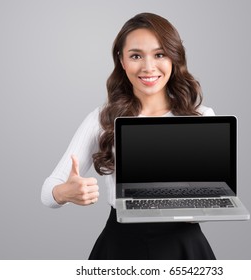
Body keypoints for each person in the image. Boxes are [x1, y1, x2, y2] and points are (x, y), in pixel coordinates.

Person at [41, 12, 216, 260]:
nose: (148, 67)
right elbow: (47, 191)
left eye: (160, 54)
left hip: (183, 246)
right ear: (122, 61)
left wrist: (198, 207)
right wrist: (64, 193)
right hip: (119, 244)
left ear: (174, 58)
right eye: (136, 56)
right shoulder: (102, 118)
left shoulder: (202, 117)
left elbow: (210, 198)